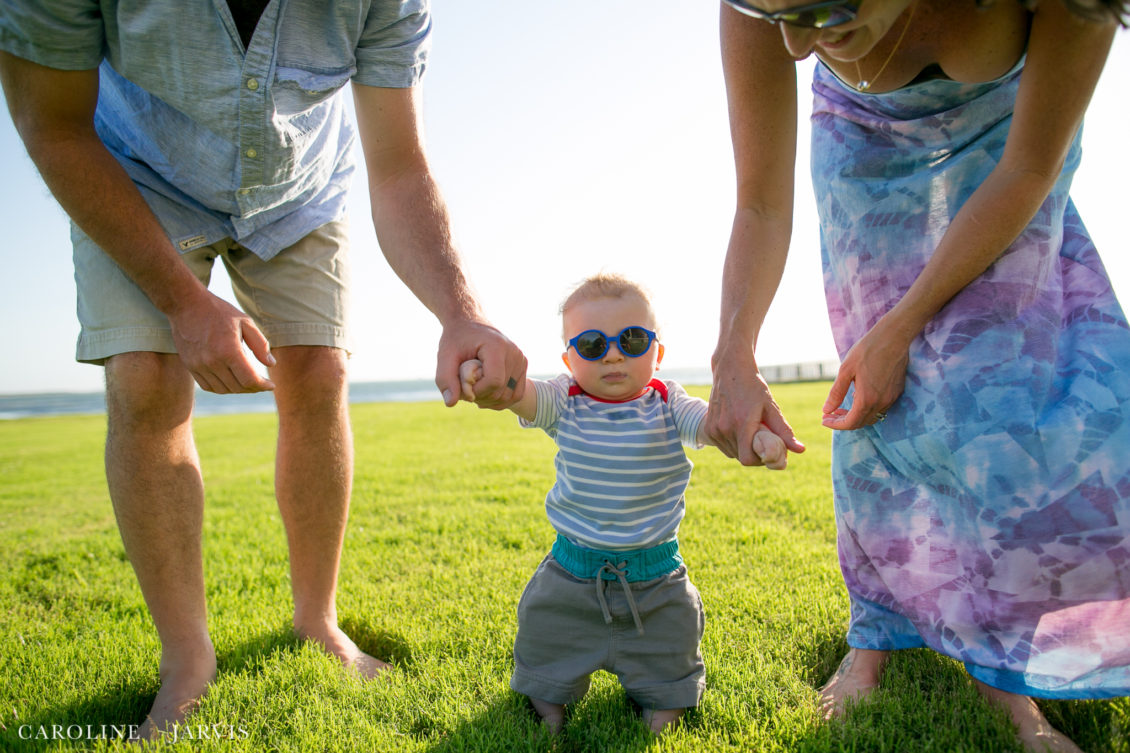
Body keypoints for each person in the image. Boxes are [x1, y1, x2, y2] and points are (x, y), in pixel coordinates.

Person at [0, 0, 526, 739]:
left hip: (302, 188)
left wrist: (460, 312)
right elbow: (51, 124)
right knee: (146, 380)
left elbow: (401, 168)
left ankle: (318, 621)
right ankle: (187, 659)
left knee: (318, 373)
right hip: (134, 170)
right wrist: (183, 303)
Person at [704, 0, 1130, 750]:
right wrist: (733, 352)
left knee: (1002, 398)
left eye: (820, 9)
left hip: (1011, 158)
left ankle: (1004, 672)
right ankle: (878, 628)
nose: (797, 46)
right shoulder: (762, 6)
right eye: (775, 17)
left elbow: (1030, 166)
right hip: (862, 147)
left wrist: (904, 326)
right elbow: (760, 203)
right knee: (876, 399)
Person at [460, 273, 787, 734]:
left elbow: (714, 424)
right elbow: (520, 394)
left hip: (655, 580)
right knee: (546, 649)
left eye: (632, 340)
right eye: (592, 345)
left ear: (658, 351)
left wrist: (757, 435)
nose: (613, 354)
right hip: (571, 573)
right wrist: (489, 376)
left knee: (668, 665)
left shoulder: (668, 403)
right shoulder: (564, 400)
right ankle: (550, 710)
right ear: (569, 358)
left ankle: (661, 709)